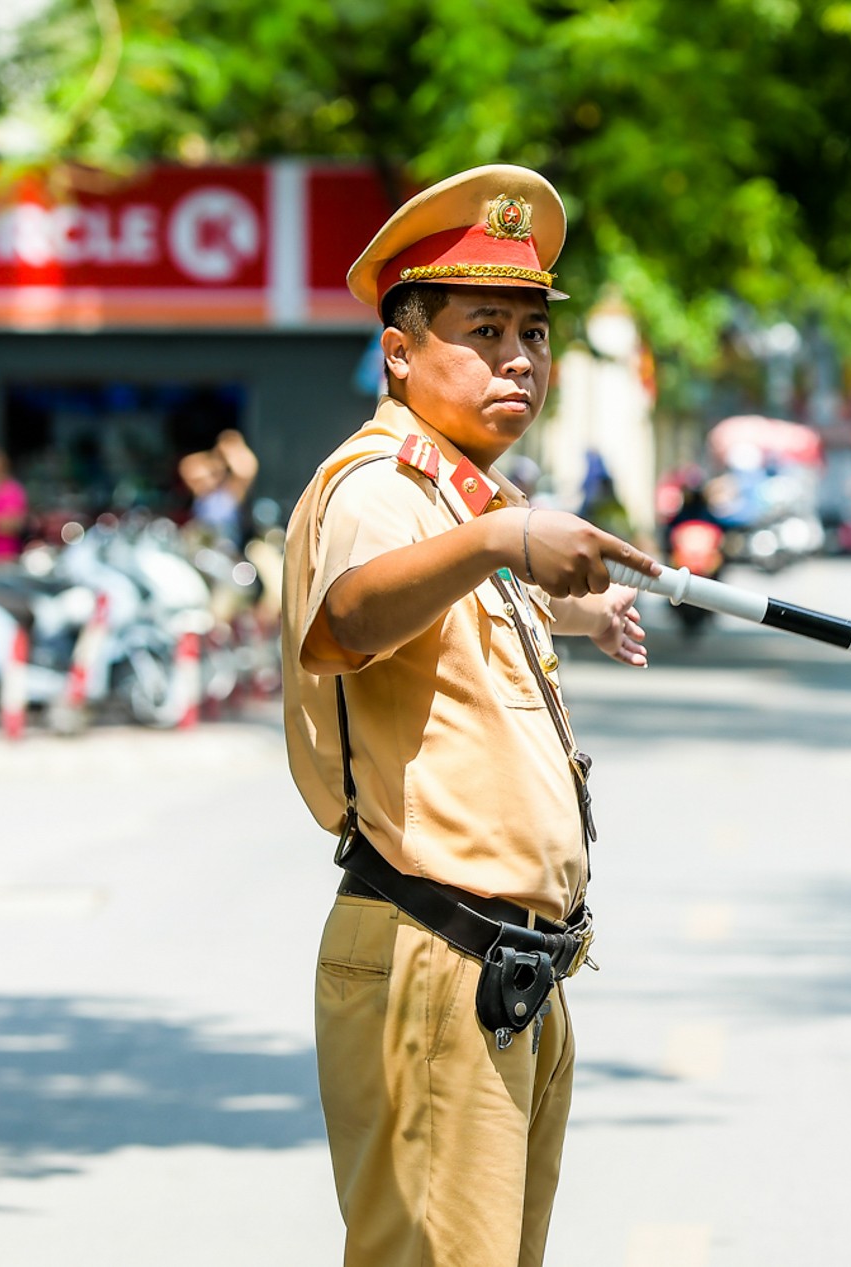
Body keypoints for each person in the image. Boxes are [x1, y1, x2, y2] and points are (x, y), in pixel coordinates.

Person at [279, 164, 660, 1267]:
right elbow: (346, 620)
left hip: (506, 974)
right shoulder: (379, 487)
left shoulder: (453, 503)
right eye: (483, 329)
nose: (518, 360)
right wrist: (503, 542)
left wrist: (554, 601)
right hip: (432, 951)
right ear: (399, 349)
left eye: (532, 336)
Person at [178, 430, 258, 549]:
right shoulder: (201, 495)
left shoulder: (230, 493)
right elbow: (186, 467)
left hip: (226, 554)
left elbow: (248, 470)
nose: (205, 481)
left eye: (213, 475)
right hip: (202, 552)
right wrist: (215, 457)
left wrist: (233, 447)